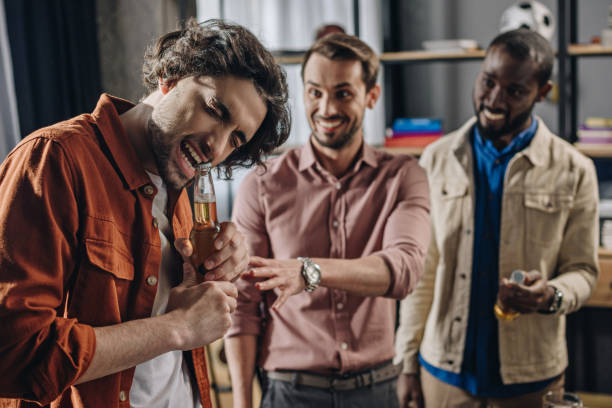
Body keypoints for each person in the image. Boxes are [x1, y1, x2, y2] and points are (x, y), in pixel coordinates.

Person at [0, 18, 290, 408]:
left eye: (235, 139)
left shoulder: (183, 191)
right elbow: (14, 353)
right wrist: (179, 328)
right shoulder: (55, 159)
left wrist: (215, 272)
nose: (217, 148)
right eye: (216, 109)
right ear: (171, 76)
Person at [394, 28, 599, 408]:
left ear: (542, 92)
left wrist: (551, 295)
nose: (494, 99)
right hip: (443, 374)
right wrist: (406, 363)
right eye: (488, 81)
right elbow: (422, 270)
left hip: (532, 378)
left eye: (515, 91)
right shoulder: (436, 159)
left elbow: (584, 270)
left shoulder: (575, 170)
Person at [225, 33, 431, 408]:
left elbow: (404, 270)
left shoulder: (404, 176)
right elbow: (242, 305)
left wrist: (309, 271)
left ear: (371, 96)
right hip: (289, 390)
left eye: (343, 93)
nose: (326, 108)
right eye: (315, 92)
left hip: (377, 388)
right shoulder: (262, 183)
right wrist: (242, 403)